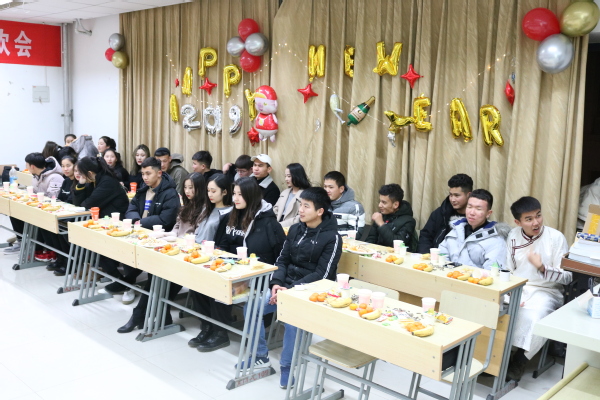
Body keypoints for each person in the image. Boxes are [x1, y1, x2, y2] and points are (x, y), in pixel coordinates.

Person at [243, 187, 342, 389]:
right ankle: (260, 355)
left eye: (306, 206)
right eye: (300, 205)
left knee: (291, 318)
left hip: (311, 292)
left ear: (320, 211)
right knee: (251, 306)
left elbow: (323, 274)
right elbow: (282, 259)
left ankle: (287, 366)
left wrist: (291, 291)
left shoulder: (332, 238)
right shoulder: (296, 229)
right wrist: (277, 284)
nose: (301, 210)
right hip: (284, 287)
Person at [118, 173, 208, 333]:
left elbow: (196, 237)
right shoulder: (185, 206)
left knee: (161, 277)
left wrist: (174, 239)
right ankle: (154, 315)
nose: (188, 191)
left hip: (190, 254)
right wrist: (162, 236)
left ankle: (140, 315)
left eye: (191, 188)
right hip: (177, 251)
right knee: (156, 275)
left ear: (200, 189)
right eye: (186, 187)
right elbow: (176, 229)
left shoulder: (205, 210)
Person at [205, 177, 286, 352]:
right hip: (233, 269)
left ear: (251, 195)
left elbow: (281, 255)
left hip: (259, 276)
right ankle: (210, 326)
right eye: (234, 194)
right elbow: (222, 245)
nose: (235, 198)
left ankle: (220, 333)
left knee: (221, 286)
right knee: (207, 281)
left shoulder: (268, 223)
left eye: (240, 195)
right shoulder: (230, 217)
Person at [504, 196, 573, 381]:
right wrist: (510, 291)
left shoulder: (555, 237)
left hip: (547, 291)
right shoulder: (513, 235)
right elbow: (508, 269)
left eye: (538, 215)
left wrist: (542, 268)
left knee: (534, 317)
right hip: (518, 287)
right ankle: (496, 358)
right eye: (529, 219)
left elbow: (567, 277)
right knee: (498, 309)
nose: (536, 222)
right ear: (518, 222)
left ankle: (519, 361)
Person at [105, 157, 180, 299]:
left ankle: (127, 283)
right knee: (123, 248)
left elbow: (166, 219)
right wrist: (136, 221)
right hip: (140, 231)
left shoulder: (170, 193)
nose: (145, 177)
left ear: (159, 173)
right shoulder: (143, 189)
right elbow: (131, 207)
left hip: (159, 236)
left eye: (148, 173)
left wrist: (141, 223)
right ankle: (128, 284)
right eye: (143, 174)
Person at [188, 174, 235, 350]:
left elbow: (223, 242)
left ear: (225, 192)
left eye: (213, 191)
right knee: (195, 288)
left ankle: (220, 332)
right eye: (208, 191)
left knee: (214, 291)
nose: (210, 194)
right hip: (200, 255)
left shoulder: (230, 213)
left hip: (216, 259)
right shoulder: (207, 208)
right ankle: (206, 326)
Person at [72, 157, 129, 285]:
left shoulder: (107, 182)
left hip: (117, 221)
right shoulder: (94, 180)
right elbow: (79, 204)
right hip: (103, 220)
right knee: (78, 234)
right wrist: (80, 184)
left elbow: (87, 204)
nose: (80, 175)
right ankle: (99, 270)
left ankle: (117, 279)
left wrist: (83, 192)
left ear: (90, 173)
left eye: (82, 173)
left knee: (92, 242)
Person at [439, 189, 509, 269]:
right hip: (449, 275)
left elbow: (492, 271)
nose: (472, 213)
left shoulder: (496, 239)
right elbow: (441, 255)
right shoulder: (457, 228)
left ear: (488, 213)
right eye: (469, 207)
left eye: (478, 209)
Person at [418, 174, 473, 253]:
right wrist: (427, 255)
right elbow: (425, 236)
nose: (452, 199)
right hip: (434, 257)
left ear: (469, 195)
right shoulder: (440, 213)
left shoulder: (474, 218)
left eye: (457, 195)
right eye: (451, 195)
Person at [45, 155, 78, 276]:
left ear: (75, 165)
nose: (65, 169)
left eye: (68, 166)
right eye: (63, 166)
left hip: (74, 216)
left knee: (62, 230)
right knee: (50, 227)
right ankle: (61, 258)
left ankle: (70, 262)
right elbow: (60, 199)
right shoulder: (66, 181)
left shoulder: (78, 181)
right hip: (63, 213)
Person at [366, 184, 417, 250]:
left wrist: (381, 225)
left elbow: (397, 245)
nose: (379, 205)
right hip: (376, 253)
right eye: (380, 201)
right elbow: (371, 239)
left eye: (384, 202)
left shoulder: (409, 221)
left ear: (395, 205)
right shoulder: (382, 215)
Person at [323, 171, 365, 238]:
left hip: (343, 244)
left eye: (331, 187)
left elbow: (356, 233)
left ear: (341, 189)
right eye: (325, 187)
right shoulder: (321, 204)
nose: (327, 190)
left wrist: (330, 238)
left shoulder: (354, 207)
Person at [273, 163, 311, 227]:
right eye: (285, 176)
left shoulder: (306, 194)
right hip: (277, 224)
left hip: (293, 227)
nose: (286, 179)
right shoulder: (285, 192)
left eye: (289, 176)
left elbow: (301, 217)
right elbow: (275, 209)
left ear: (297, 176)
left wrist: (281, 225)